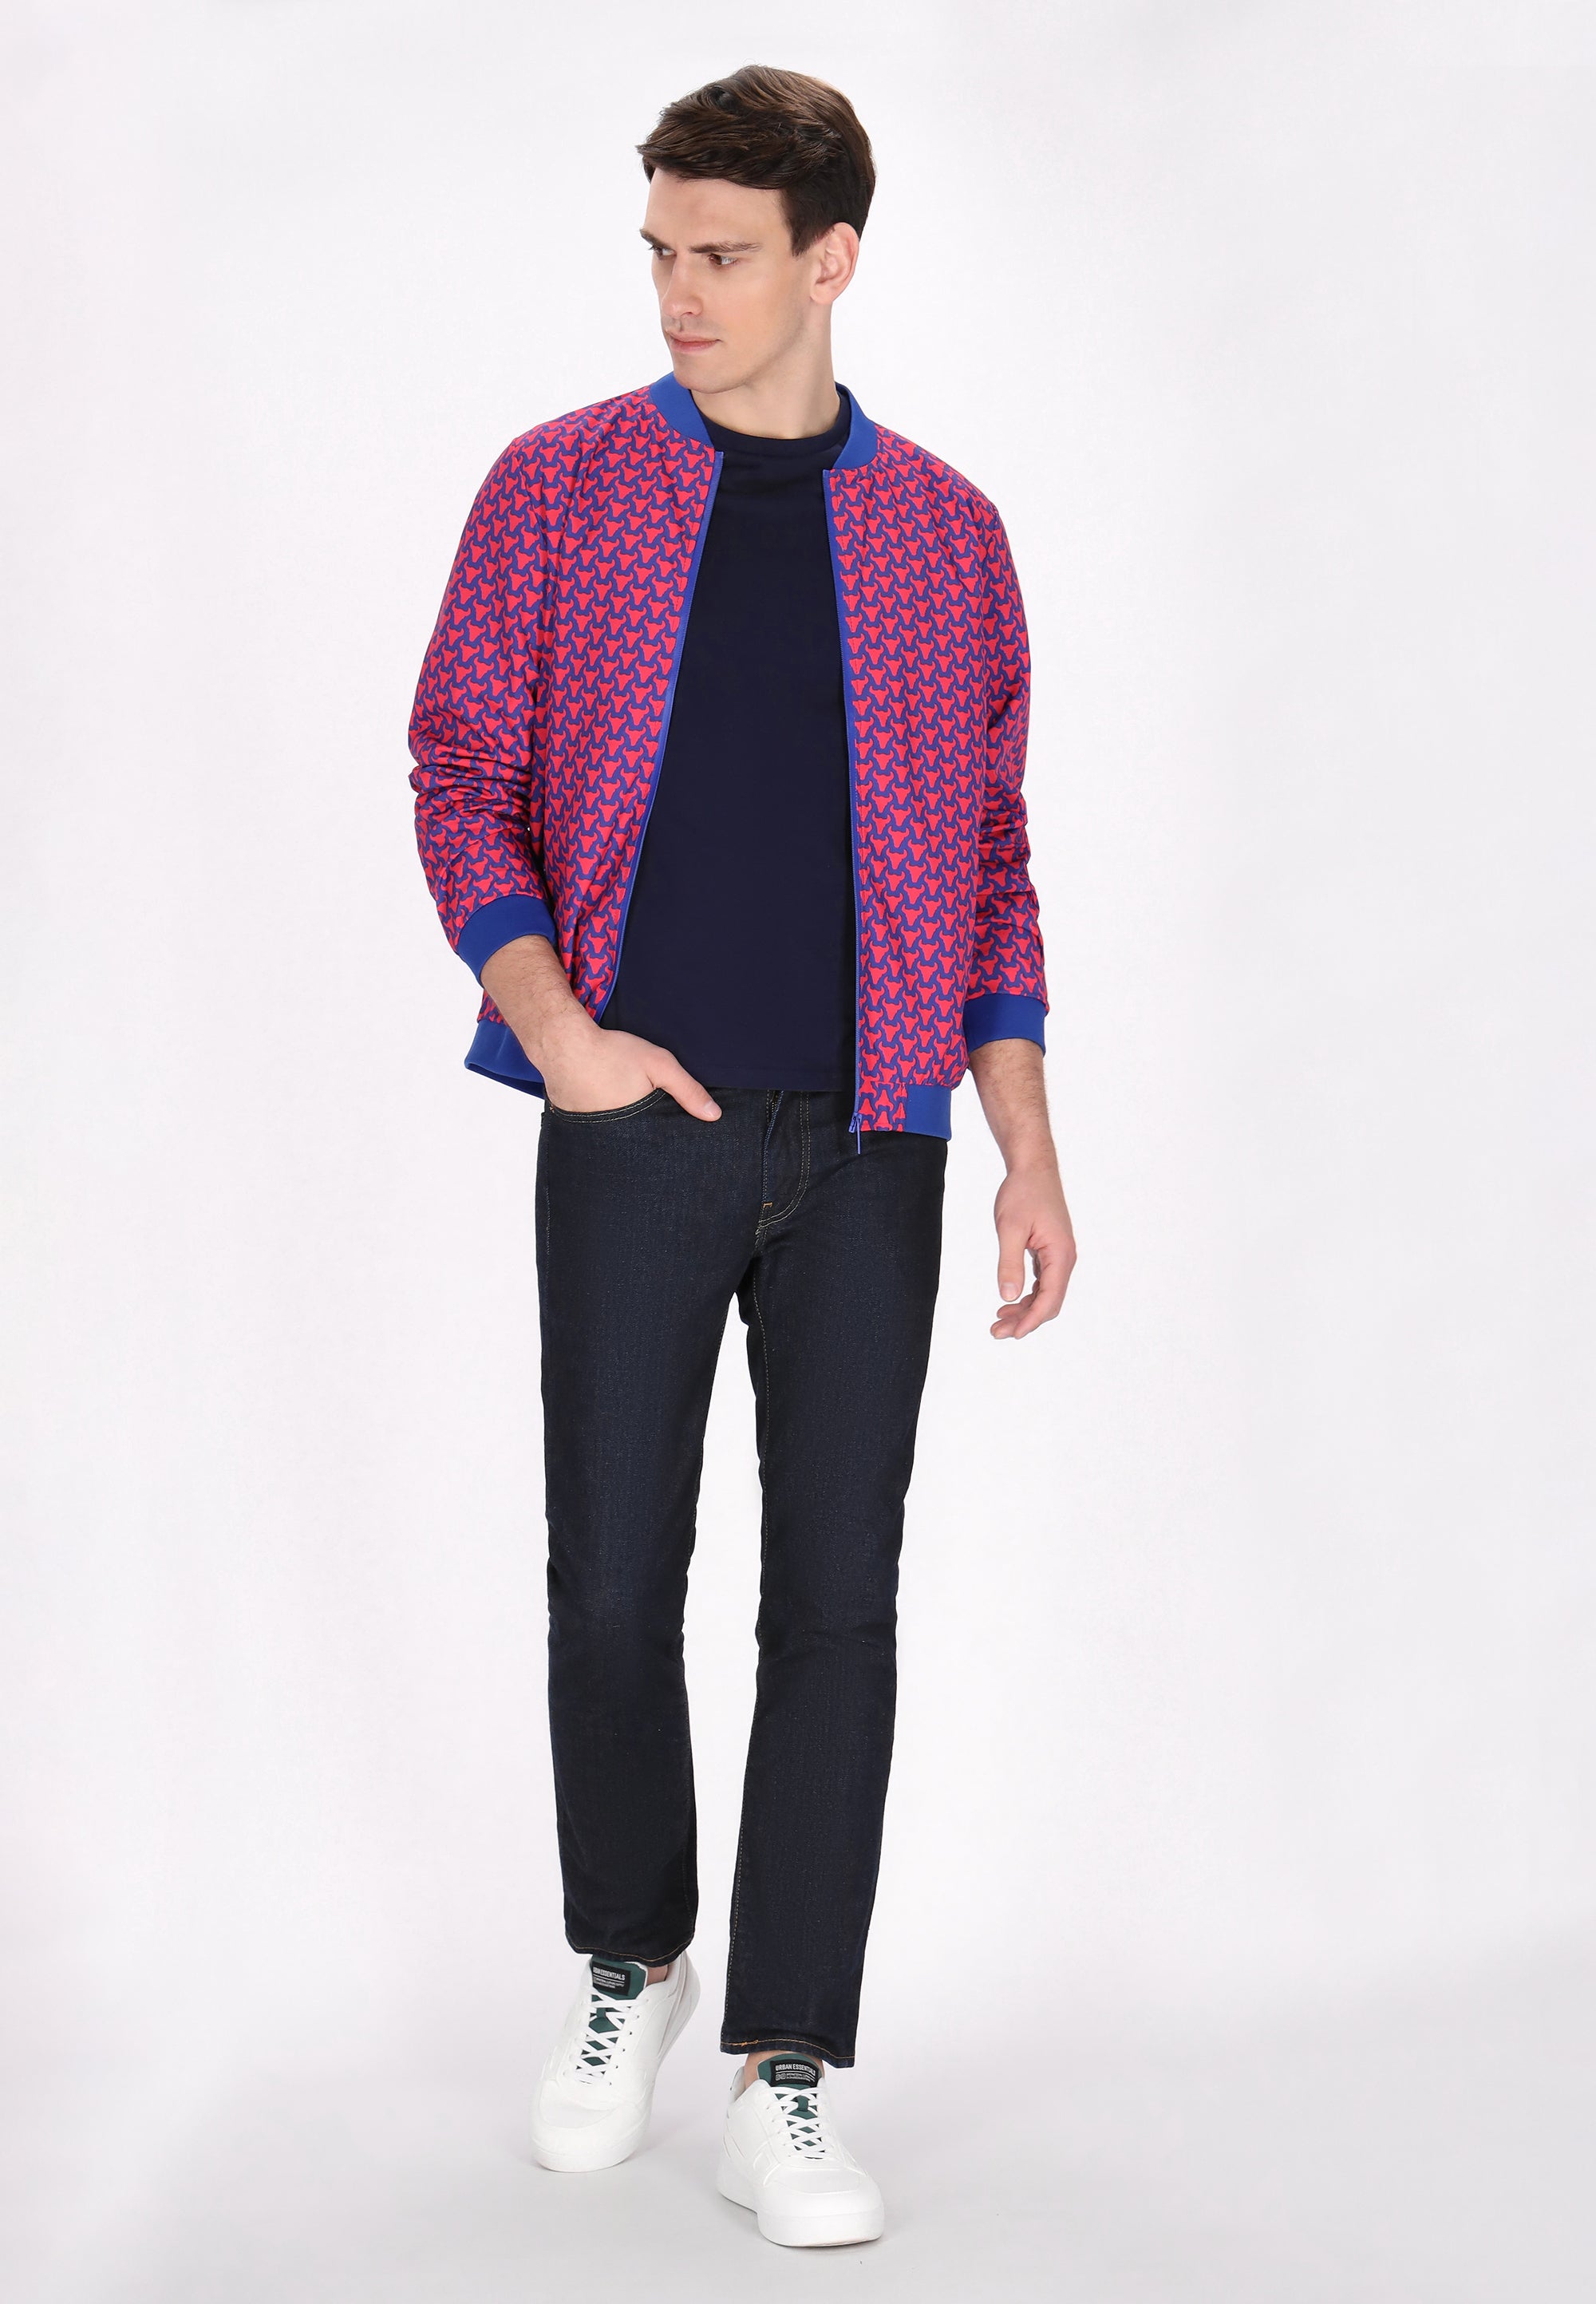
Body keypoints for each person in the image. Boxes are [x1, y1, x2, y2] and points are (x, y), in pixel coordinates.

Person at [408, 63, 1077, 2250]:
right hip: (637, 1126)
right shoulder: (560, 488)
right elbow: (459, 770)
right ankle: (633, 1960)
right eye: (661, 253)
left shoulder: (948, 536)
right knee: (610, 1584)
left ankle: (789, 2062)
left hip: (876, 1139)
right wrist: (558, 1037)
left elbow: (993, 860)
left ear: (831, 260)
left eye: (722, 255)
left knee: (835, 1605)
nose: (680, 293)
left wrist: (1023, 1143)